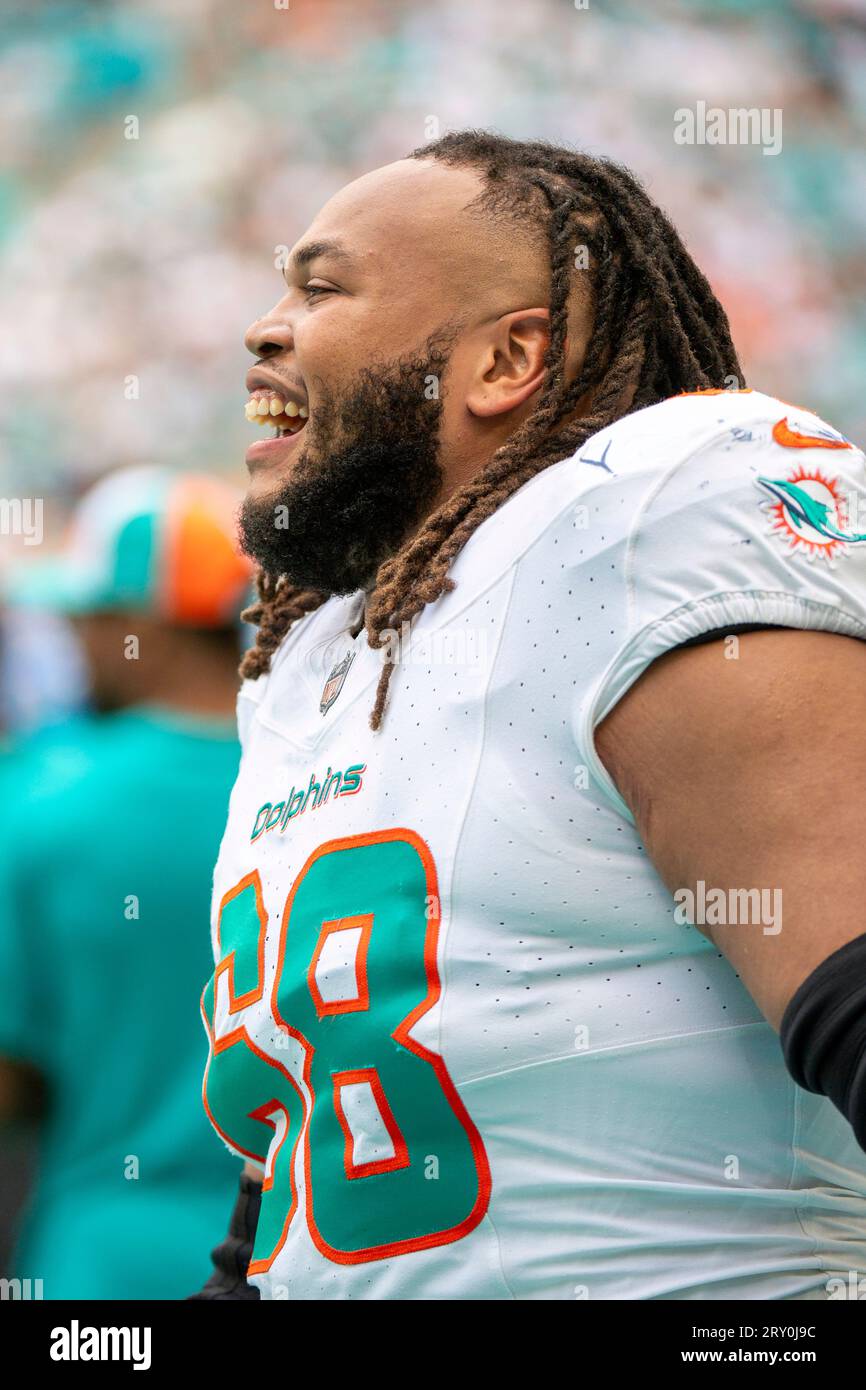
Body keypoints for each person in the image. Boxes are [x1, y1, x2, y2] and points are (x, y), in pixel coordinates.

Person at [195, 132, 866, 1301]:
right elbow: (298, 1188)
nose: (264, 328)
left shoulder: (653, 510)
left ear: (506, 358)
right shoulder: (317, 654)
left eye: (320, 286)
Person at [0, 466, 252, 1299]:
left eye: (86, 618)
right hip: (308, 1254)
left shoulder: (39, 798)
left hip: (105, 1263)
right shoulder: (326, 783)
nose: (73, 641)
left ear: (138, 625)